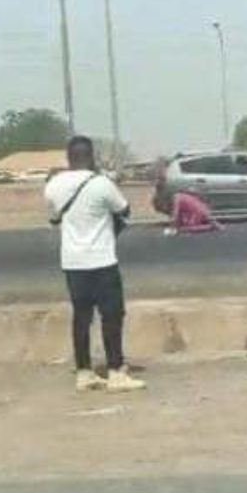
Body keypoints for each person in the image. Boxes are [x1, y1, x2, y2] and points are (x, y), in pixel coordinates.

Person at [44, 135, 145, 393]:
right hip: (102, 259)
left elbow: (55, 218)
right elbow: (124, 210)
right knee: (112, 316)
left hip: (72, 262)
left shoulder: (54, 185)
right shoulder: (102, 184)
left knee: (81, 317)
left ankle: (84, 371)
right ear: (91, 157)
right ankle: (115, 370)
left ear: (68, 158)